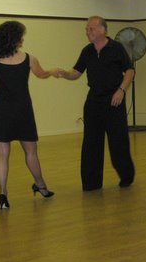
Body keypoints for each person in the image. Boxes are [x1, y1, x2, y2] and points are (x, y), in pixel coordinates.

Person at [0, 21, 57, 209]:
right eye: (21, 36)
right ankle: (40, 185)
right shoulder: (29, 59)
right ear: (15, 39)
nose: (22, 39)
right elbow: (42, 74)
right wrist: (52, 72)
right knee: (31, 152)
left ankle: (3, 195)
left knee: (2, 154)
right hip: (22, 110)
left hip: (0, 110)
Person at [58, 16, 135, 191]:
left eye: (91, 29)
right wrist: (65, 74)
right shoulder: (87, 51)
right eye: (86, 29)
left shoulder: (116, 48)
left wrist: (121, 90)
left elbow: (130, 71)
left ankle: (126, 176)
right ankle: (91, 183)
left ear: (102, 30)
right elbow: (76, 72)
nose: (87, 32)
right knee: (91, 142)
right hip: (93, 100)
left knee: (118, 141)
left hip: (114, 100)